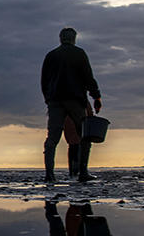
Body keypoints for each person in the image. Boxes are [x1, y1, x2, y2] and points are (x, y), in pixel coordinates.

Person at [41, 27, 102, 183]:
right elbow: (88, 76)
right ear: (74, 39)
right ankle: (83, 172)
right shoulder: (79, 53)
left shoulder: (51, 56)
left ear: (60, 39)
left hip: (55, 100)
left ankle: (49, 174)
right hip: (75, 99)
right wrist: (96, 96)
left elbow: (44, 81)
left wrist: (48, 99)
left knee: (52, 137)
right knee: (84, 135)